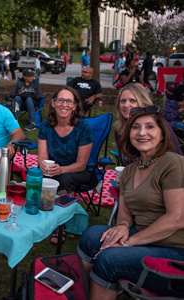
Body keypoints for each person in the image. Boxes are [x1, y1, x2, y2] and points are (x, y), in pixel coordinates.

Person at [78, 108, 184, 299]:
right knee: (90, 236)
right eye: (136, 127)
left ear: (162, 134)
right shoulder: (130, 170)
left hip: (177, 250)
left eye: (150, 127)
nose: (142, 132)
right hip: (149, 239)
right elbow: (125, 210)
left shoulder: (172, 163)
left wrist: (128, 242)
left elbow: (177, 219)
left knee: (109, 260)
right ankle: (85, 293)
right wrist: (122, 226)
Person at [38, 85, 96, 245]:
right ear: (53, 103)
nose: (64, 105)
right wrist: (43, 166)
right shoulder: (45, 126)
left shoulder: (83, 128)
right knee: (35, 175)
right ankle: (38, 214)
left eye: (69, 101)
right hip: (54, 170)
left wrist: (61, 169)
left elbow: (81, 164)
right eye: (60, 100)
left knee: (64, 178)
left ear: (75, 106)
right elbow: (42, 157)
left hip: (81, 172)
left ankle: (60, 225)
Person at [115, 83, 182, 167]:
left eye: (132, 100)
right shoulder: (119, 131)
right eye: (123, 101)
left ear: (143, 103)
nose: (126, 105)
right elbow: (124, 165)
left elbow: (178, 159)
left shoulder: (159, 126)